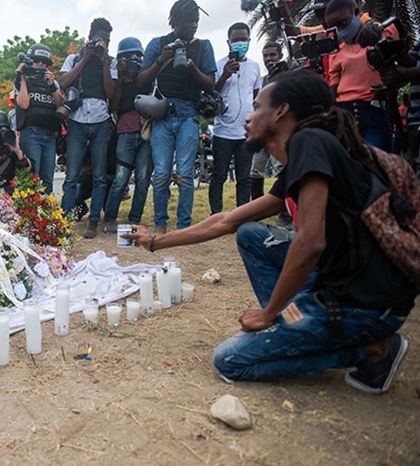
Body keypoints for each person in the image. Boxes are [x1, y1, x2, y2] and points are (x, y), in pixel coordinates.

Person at [124, 71, 415, 391]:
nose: (249, 117)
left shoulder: (309, 142)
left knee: (229, 360)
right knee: (251, 235)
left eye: (257, 107)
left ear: (281, 111)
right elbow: (226, 221)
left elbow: (311, 242)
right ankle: (294, 321)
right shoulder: (306, 155)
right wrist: (154, 242)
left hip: (364, 302)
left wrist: (268, 313)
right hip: (339, 282)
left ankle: (373, 350)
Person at [137, 0, 217, 234]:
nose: (193, 26)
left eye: (196, 21)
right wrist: (161, 60)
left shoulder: (203, 47)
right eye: (189, 21)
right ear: (175, 21)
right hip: (161, 115)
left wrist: (192, 67)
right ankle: (160, 223)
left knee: (184, 174)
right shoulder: (158, 44)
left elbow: (210, 84)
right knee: (161, 173)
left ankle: (183, 226)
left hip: (189, 116)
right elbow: (141, 81)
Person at [59, 17, 118, 238]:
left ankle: (93, 221)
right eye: (100, 38)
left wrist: (103, 62)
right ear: (90, 37)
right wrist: (85, 59)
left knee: (100, 175)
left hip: (101, 121)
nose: (104, 43)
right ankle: (63, 221)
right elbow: (63, 83)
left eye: (108, 40)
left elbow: (110, 92)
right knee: (71, 176)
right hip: (77, 121)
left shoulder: (110, 62)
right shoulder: (74, 58)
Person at [325, 0, 398, 152]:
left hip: (373, 114)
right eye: (334, 27)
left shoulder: (382, 33)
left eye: (343, 23)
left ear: (356, 13)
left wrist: (389, 88)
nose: (340, 30)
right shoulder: (336, 49)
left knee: (377, 163)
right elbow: (333, 87)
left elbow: (402, 69)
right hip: (345, 118)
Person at [209, 22, 261, 214]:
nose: (240, 43)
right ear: (228, 42)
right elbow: (212, 93)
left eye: (243, 39)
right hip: (223, 131)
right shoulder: (218, 65)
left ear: (249, 41)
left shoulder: (255, 67)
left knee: (244, 177)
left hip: (245, 132)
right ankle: (216, 215)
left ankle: (242, 214)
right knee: (218, 175)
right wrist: (224, 75)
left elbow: (256, 96)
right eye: (236, 39)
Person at [103, 37, 153, 233]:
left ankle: (135, 219)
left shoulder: (147, 75)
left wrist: (141, 71)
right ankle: (109, 218)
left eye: (135, 56)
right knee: (120, 179)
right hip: (125, 132)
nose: (131, 60)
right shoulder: (120, 78)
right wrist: (121, 77)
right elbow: (114, 106)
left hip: (146, 132)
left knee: (143, 179)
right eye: (125, 57)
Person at [14, 44, 63, 194]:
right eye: (36, 61)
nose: (40, 64)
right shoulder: (21, 81)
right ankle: (30, 207)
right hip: (31, 134)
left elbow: (60, 105)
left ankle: (46, 207)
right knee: (32, 177)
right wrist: (22, 77)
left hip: (50, 135)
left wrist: (52, 86)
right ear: (30, 62)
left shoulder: (52, 82)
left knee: (47, 179)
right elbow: (23, 104)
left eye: (44, 62)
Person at [378, 38, 420, 177]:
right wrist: (397, 51)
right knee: (414, 171)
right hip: (414, 119)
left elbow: (409, 72)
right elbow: (411, 63)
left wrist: (404, 74)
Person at [251, 42, 284, 200]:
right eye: (266, 56)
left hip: (279, 132)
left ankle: (284, 208)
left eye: (273, 55)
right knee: (256, 169)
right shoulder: (262, 81)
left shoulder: (287, 79)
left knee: (280, 168)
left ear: (280, 56)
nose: (269, 59)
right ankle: (257, 204)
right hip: (262, 131)